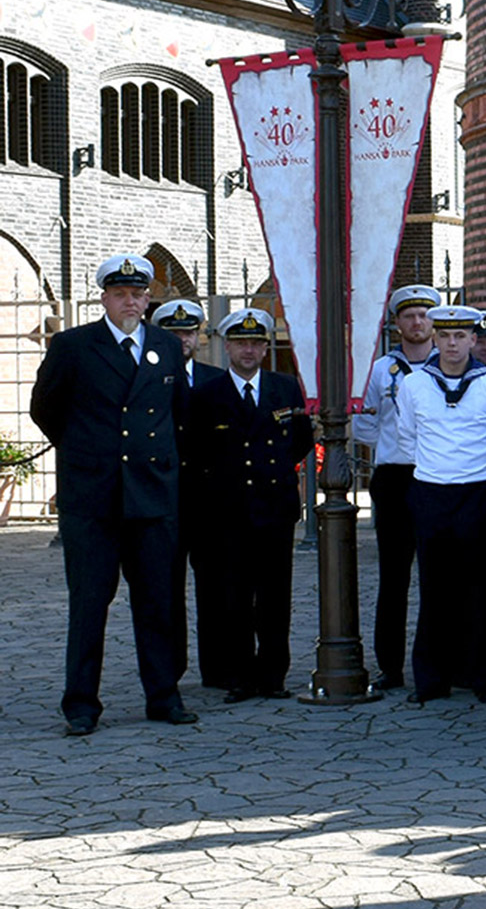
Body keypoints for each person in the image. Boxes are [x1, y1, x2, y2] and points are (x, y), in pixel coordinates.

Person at [31, 254, 196, 735]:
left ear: (148, 299)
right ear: (104, 296)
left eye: (139, 294)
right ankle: (81, 704)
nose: (131, 301)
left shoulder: (166, 346)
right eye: (121, 293)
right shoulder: (74, 346)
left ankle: (163, 696)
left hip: (151, 496)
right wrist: (88, 451)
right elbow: (46, 409)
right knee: (89, 602)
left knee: (158, 601)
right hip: (94, 499)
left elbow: (176, 413)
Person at [185, 308, 313, 704]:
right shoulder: (206, 395)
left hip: (274, 508)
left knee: (275, 598)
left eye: (256, 343)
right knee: (233, 598)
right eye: (240, 343)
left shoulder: (285, 387)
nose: (248, 351)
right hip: (227, 510)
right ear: (226, 347)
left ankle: (273, 675)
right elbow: (197, 449)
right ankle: (239, 675)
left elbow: (301, 440)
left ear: (265, 347)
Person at [392, 304, 486, 704]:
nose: (453, 344)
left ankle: (484, 679)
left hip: (478, 494)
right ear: (435, 339)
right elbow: (408, 436)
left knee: (480, 592)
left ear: (474, 340)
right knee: (434, 590)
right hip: (431, 493)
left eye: (462, 336)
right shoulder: (414, 385)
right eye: (446, 336)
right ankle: (430, 680)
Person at [353, 283, 438, 690]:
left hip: (439, 477)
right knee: (393, 577)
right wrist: (393, 445)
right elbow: (364, 422)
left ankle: (444, 663)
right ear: (397, 323)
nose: (417, 322)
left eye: (424, 315)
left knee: (440, 575)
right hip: (394, 477)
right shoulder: (380, 369)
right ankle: (390, 665)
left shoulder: (451, 365)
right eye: (409, 315)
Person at [153, 297, 221, 685]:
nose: (182, 340)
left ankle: (217, 667)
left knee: (215, 587)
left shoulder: (215, 380)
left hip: (209, 500)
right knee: (165, 589)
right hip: (164, 498)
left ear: (200, 337)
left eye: (189, 332)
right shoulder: (147, 376)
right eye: (174, 332)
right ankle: (170, 669)